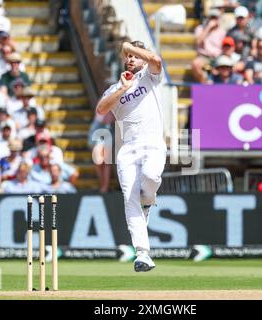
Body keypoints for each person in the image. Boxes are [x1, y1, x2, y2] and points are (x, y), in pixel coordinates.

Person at [96, 40, 166, 272]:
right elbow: (101, 109)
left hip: (153, 143)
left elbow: (156, 60)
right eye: (128, 56)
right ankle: (142, 254)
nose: (131, 59)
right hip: (128, 148)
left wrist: (129, 46)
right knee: (129, 197)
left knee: (151, 176)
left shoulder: (150, 76)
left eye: (135, 56)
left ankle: (148, 200)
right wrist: (122, 89)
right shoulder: (117, 87)